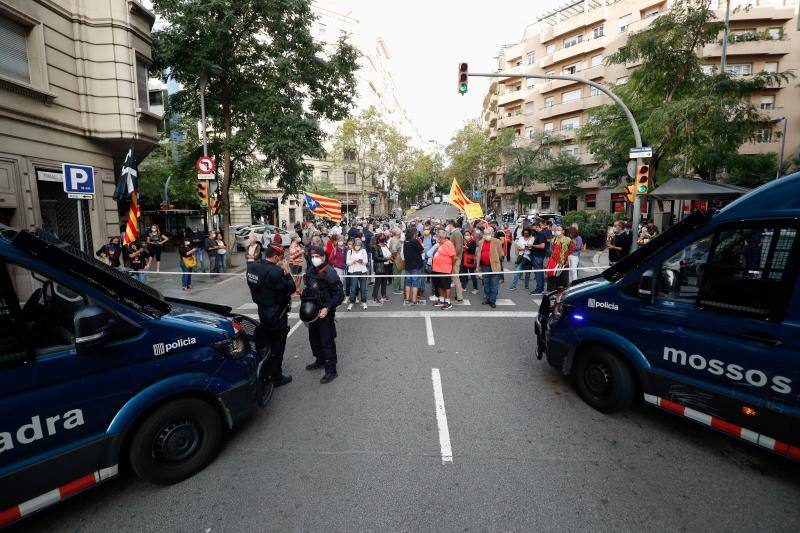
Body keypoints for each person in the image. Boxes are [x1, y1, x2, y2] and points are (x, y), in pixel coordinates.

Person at [246, 244, 295, 387]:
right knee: (278, 345)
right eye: (281, 257)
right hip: (276, 313)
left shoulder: (253, 267)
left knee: (267, 342)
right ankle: (276, 376)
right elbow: (291, 288)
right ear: (276, 257)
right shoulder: (276, 271)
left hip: (262, 309)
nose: (283, 259)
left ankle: (266, 370)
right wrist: (286, 270)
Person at [303, 246, 345, 384]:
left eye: (317, 256)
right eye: (312, 256)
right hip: (313, 313)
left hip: (325, 313)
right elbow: (308, 287)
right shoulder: (311, 271)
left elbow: (339, 295)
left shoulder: (330, 272)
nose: (314, 259)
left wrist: (328, 308)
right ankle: (319, 360)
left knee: (327, 342)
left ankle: (331, 370)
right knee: (314, 339)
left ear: (323, 257)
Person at [477, 227, 503, 308]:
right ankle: (487, 298)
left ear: (491, 234)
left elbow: (501, 254)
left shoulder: (497, 241)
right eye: (485, 234)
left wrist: (494, 259)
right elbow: (479, 253)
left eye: (488, 233)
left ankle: (492, 300)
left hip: (494, 266)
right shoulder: (481, 242)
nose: (486, 235)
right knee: (486, 283)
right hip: (484, 266)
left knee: (494, 284)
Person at [431, 230, 456, 310]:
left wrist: (451, 266)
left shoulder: (449, 243)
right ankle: (441, 299)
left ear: (442, 237)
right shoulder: (440, 244)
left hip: (445, 269)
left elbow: (453, 257)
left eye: (438, 236)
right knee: (439, 285)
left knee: (446, 286)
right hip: (436, 268)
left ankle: (448, 302)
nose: (437, 238)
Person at [546, 225, 573, 291]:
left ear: (563, 231)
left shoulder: (568, 240)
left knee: (562, 278)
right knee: (551, 275)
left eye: (559, 230)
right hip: (553, 261)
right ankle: (552, 291)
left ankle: (561, 292)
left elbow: (570, 250)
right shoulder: (553, 239)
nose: (557, 231)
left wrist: (566, 260)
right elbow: (551, 251)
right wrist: (549, 260)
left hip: (563, 262)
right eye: (556, 230)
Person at [402, 227, 425, 305]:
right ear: (413, 233)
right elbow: (422, 250)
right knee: (416, 282)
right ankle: (414, 299)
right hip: (416, 264)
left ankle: (407, 299)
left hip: (408, 264)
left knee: (408, 282)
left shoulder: (405, 241)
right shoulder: (415, 241)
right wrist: (423, 247)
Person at [346, 237, 368, 310]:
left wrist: (362, 261)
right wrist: (352, 262)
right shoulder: (350, 251)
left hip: (362, 271)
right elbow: (347, 262)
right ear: (354, 244)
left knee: (363, 288)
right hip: (353, 271)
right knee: (353, 288)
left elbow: (366, 261)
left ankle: (364, 302)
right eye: (356, 244)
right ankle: (351, 302)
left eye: (359, 245)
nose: (358, 246)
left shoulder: (363, 251)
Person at [371, 236, 392, 304]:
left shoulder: (385, 246)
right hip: (379, 267)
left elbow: (389, 253)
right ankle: (375, 296)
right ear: (378, 241)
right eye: (381, 241)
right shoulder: (375, 247)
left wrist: (391, 257)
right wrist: (386, 258)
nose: (383, 243)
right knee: (378, 282)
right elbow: (375, 258)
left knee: (384, 282)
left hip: (387, 265)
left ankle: (384, 295)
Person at [447, 220, 464, 303]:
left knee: (456, 278)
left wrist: (454, 257)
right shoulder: (455, 233)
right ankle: (458, 295)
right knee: (455, 278)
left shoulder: (456, 233)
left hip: (456, 258)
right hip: (456, 257)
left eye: (448, 225)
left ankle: (459, 298)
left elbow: (458, 247)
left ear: (451, 225)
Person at [530, 221, 548, 295]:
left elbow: (542, 246)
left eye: (533, 227)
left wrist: (532, 245)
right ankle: (541, 288)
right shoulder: (539, 234)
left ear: (537, 227)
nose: (532, 229)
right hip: (537, 255)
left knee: (538, 273)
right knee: (539, 272)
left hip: (538, 256)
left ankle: (539, 289)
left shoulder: (541, 234)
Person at [460, 229, 479, 294]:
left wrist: (467, 248)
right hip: (463, 259)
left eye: (467, 235)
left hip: (470, 259)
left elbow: (473, 251)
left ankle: (475, 288)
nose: (466, 236)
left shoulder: (473, 241)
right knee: (463, 274)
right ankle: (463, 287)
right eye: (465, 235)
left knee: (472, 274)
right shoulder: (464, 241)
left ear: (470, 235)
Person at [388, 229, 404, 295]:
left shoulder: (393, 239)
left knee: (398, 273)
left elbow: (391, 248)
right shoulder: (396, 240)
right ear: (398, 234)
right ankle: (396, 289)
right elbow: (394, 250)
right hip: (397, 257)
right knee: (397, 273)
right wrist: (394, 257)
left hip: (396, 257)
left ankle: (399, 287)